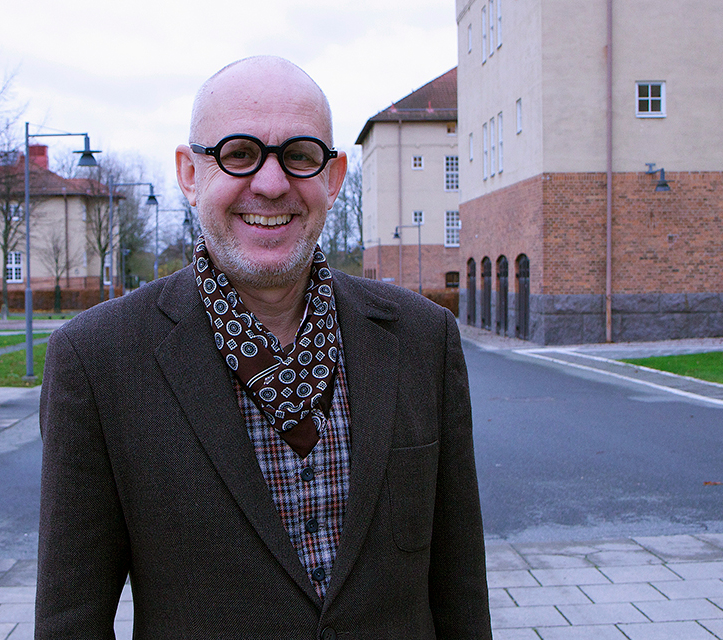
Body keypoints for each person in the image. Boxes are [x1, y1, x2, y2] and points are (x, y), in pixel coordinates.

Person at [35, 56, 491, 639]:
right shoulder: (97, 359)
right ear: (189, 172)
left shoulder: (422, 338)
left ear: (333, 176)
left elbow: (461, 592)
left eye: (300, 155)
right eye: (239, 153)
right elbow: (71, 620)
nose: (271, 184)